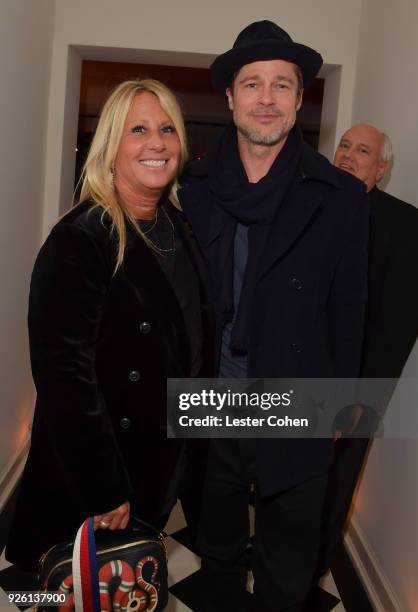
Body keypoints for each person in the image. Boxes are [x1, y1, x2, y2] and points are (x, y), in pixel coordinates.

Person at [178, 20, 369, 612]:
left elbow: (350, 306)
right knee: (217, 544)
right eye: (253, 84)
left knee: (288, 559)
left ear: (299, 99)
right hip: (213, 394)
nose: (267, 98)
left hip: (299, 400)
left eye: (281, 85)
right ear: (230, 97)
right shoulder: (194, 187)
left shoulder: (339, 195)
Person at [6, 79, 213, 572]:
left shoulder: (179, 226)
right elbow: (64, 377)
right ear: (111, 146)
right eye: (138, 129)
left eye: (167, 128)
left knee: (126, 588)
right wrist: (103, 486)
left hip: (158, 455)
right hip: (101, 469)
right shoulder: (80, 239)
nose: (157, 142)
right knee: (70, 590)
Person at [316, 124, 418, 577]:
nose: (348, 155)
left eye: (362, 150)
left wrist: (360, 399)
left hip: (353, 389)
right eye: (344, 145)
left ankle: (309, 576)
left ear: (381, 168)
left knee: (333, 487)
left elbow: (398, 326)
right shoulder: (309, 206)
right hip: (299, 374)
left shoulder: (405, 224)